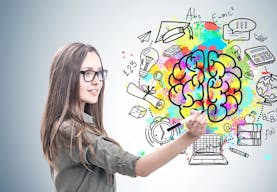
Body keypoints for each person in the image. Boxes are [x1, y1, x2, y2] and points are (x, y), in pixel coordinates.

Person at [40, 42, 207, 192]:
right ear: (66, 78)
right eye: (87, 73)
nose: (97, 81)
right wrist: (189, 136)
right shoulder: (72, 131)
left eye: (99, 73)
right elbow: (140, 168)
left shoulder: (74, 126)